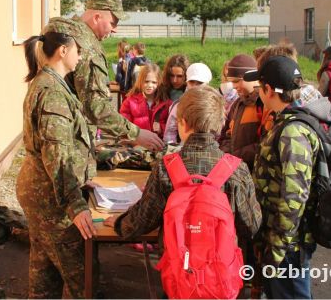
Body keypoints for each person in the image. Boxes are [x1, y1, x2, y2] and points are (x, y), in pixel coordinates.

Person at [104, 85, 262, 259]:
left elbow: (144, 219)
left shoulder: (166, 168)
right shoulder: (237, 169)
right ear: (220, 124)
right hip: (222, 265)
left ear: (183, 123)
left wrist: (120, 223)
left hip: (178, 264)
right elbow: (252, 225)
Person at [16, 32, 97, 298]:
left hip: (42, 191)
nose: (80, 57)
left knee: (44, 273)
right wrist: (76, 205)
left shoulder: (48, 82)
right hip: (51, 198)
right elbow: (57, 155)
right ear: (63, 51)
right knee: (82, 278)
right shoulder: (53, 93)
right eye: (78, 51)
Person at [43, 0, 163, 152]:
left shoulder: (64, 33)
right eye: (113, 23)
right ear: (97, 17)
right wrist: (136, 133)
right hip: (69, 142)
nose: (115, 30)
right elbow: (96, 106)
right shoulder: (87, 47)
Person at [248, 56, 319, 299]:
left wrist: (278, 248)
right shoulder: (283, 122)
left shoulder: (292, 132)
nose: (258, 92)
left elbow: (294, 196)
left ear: (268, 90)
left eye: (259, 87)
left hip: (288, 246)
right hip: (280, 240)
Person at [219, 54, 262, 171]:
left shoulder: (264, 104)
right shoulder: (238, 104)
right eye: (231, 82)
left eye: (237, 81)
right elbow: (227, 135)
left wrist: (235, 156)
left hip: (255, 172)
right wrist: (224, 154)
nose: (233, 87)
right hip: (235, 169)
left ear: (252, 77)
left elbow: (265, 143)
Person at [162, 62, 213, 145]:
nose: (195, 86)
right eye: (192, 82)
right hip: (185, 149)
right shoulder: (179, 105)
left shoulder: (214, 104)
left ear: (207, 84)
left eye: (200, 83)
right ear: (187, 83)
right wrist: (172, 149)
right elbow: (170, 133)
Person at [120, 63, 172, 138]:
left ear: (159, 83)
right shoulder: (130, 102)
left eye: (154, 82)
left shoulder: (166, 103)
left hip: (158, 142)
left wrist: (161, 128)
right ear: (140, 81)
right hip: (137, 142)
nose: (150, 85)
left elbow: (172, 128)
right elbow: (124, 125)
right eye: (146, 81)